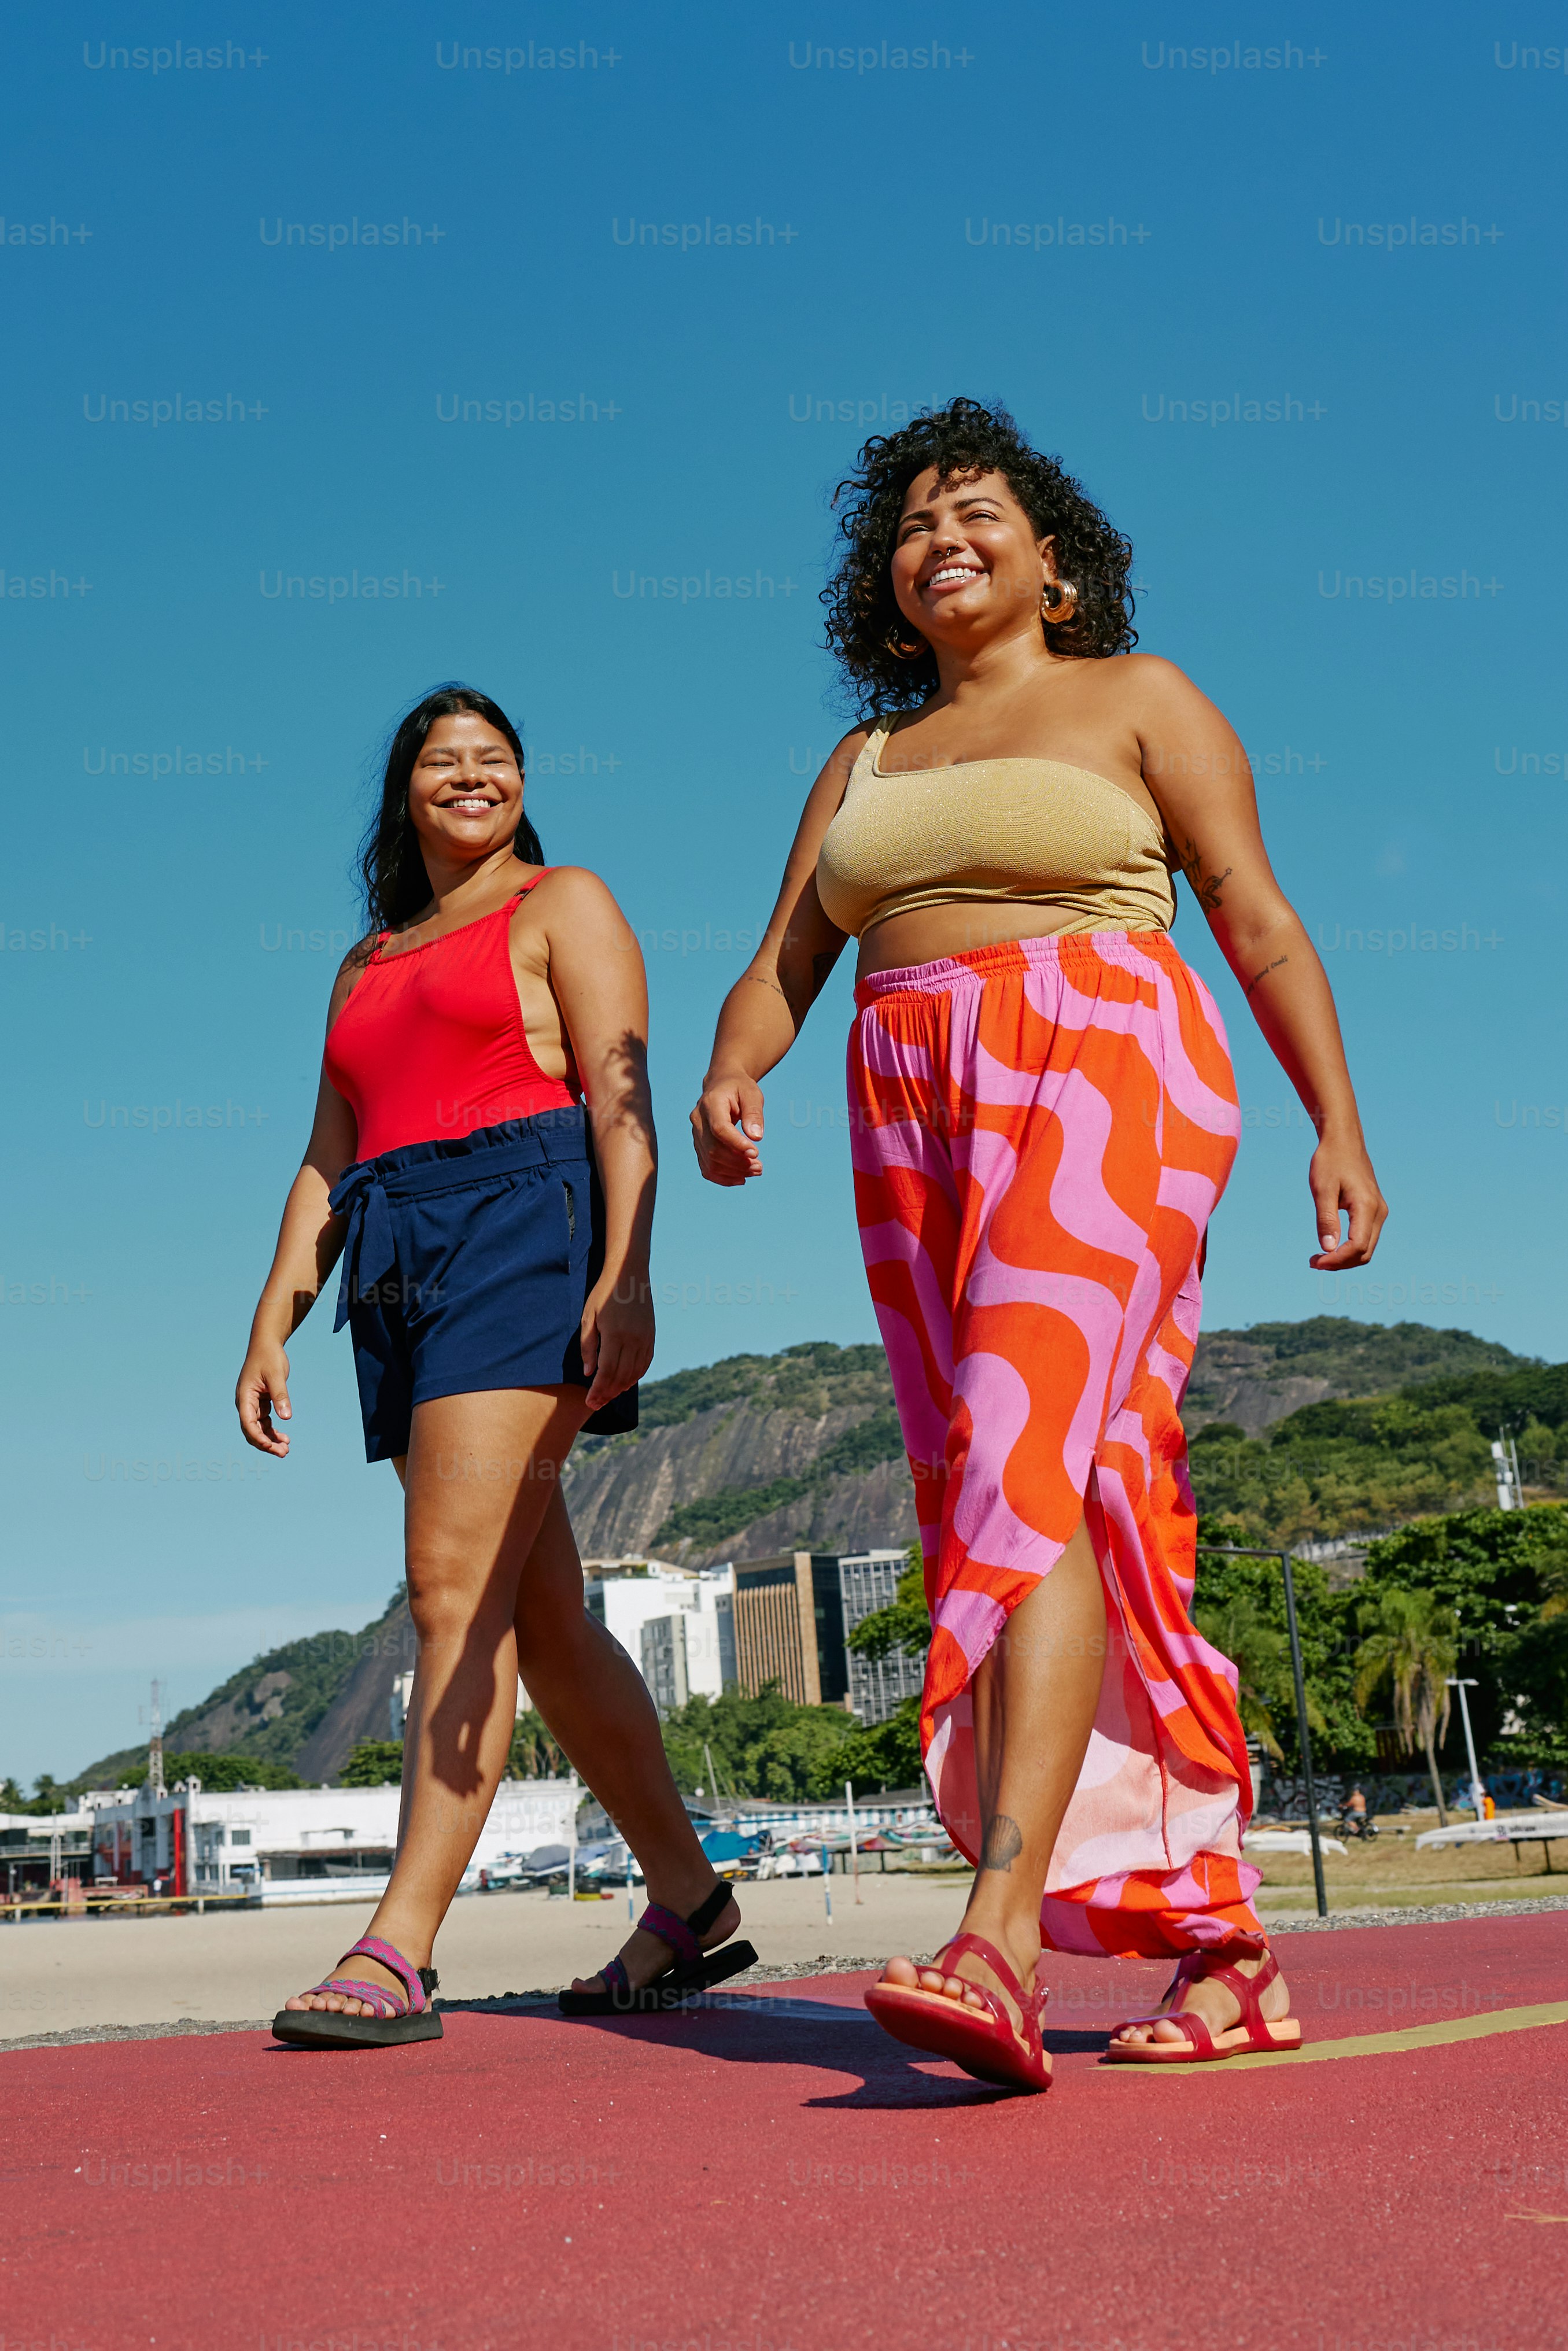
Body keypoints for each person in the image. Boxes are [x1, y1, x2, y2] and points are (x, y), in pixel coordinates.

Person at [691, 401, 1387, 2089]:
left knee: (1023, 1464)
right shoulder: (862, 761)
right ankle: (1220, 1944)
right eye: (913, 525)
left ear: (1053, 563)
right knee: (1061, 1496)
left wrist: (1338, 1124)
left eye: (978, 510)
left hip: (1101, 1067)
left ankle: (997, 1930)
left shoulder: (1139, 700)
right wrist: (729, 1066)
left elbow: (1255, 914)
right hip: (909, 1105)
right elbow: (786, 960)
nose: (944, 537)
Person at [236, 684, 753, 2046]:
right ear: (404, 792)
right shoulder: (366, 960)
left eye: (497, 758)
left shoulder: (563, 903)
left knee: (449, 1588)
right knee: (546, 1611)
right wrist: (270, 1317)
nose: (472, 776)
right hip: (397, 1244)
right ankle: (692, 1902)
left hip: (522, 1224)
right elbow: (328, 1154)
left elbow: (621, 1098)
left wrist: (629, 1272)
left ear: (523, 783)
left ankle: (399, 1945)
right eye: (442, 761)